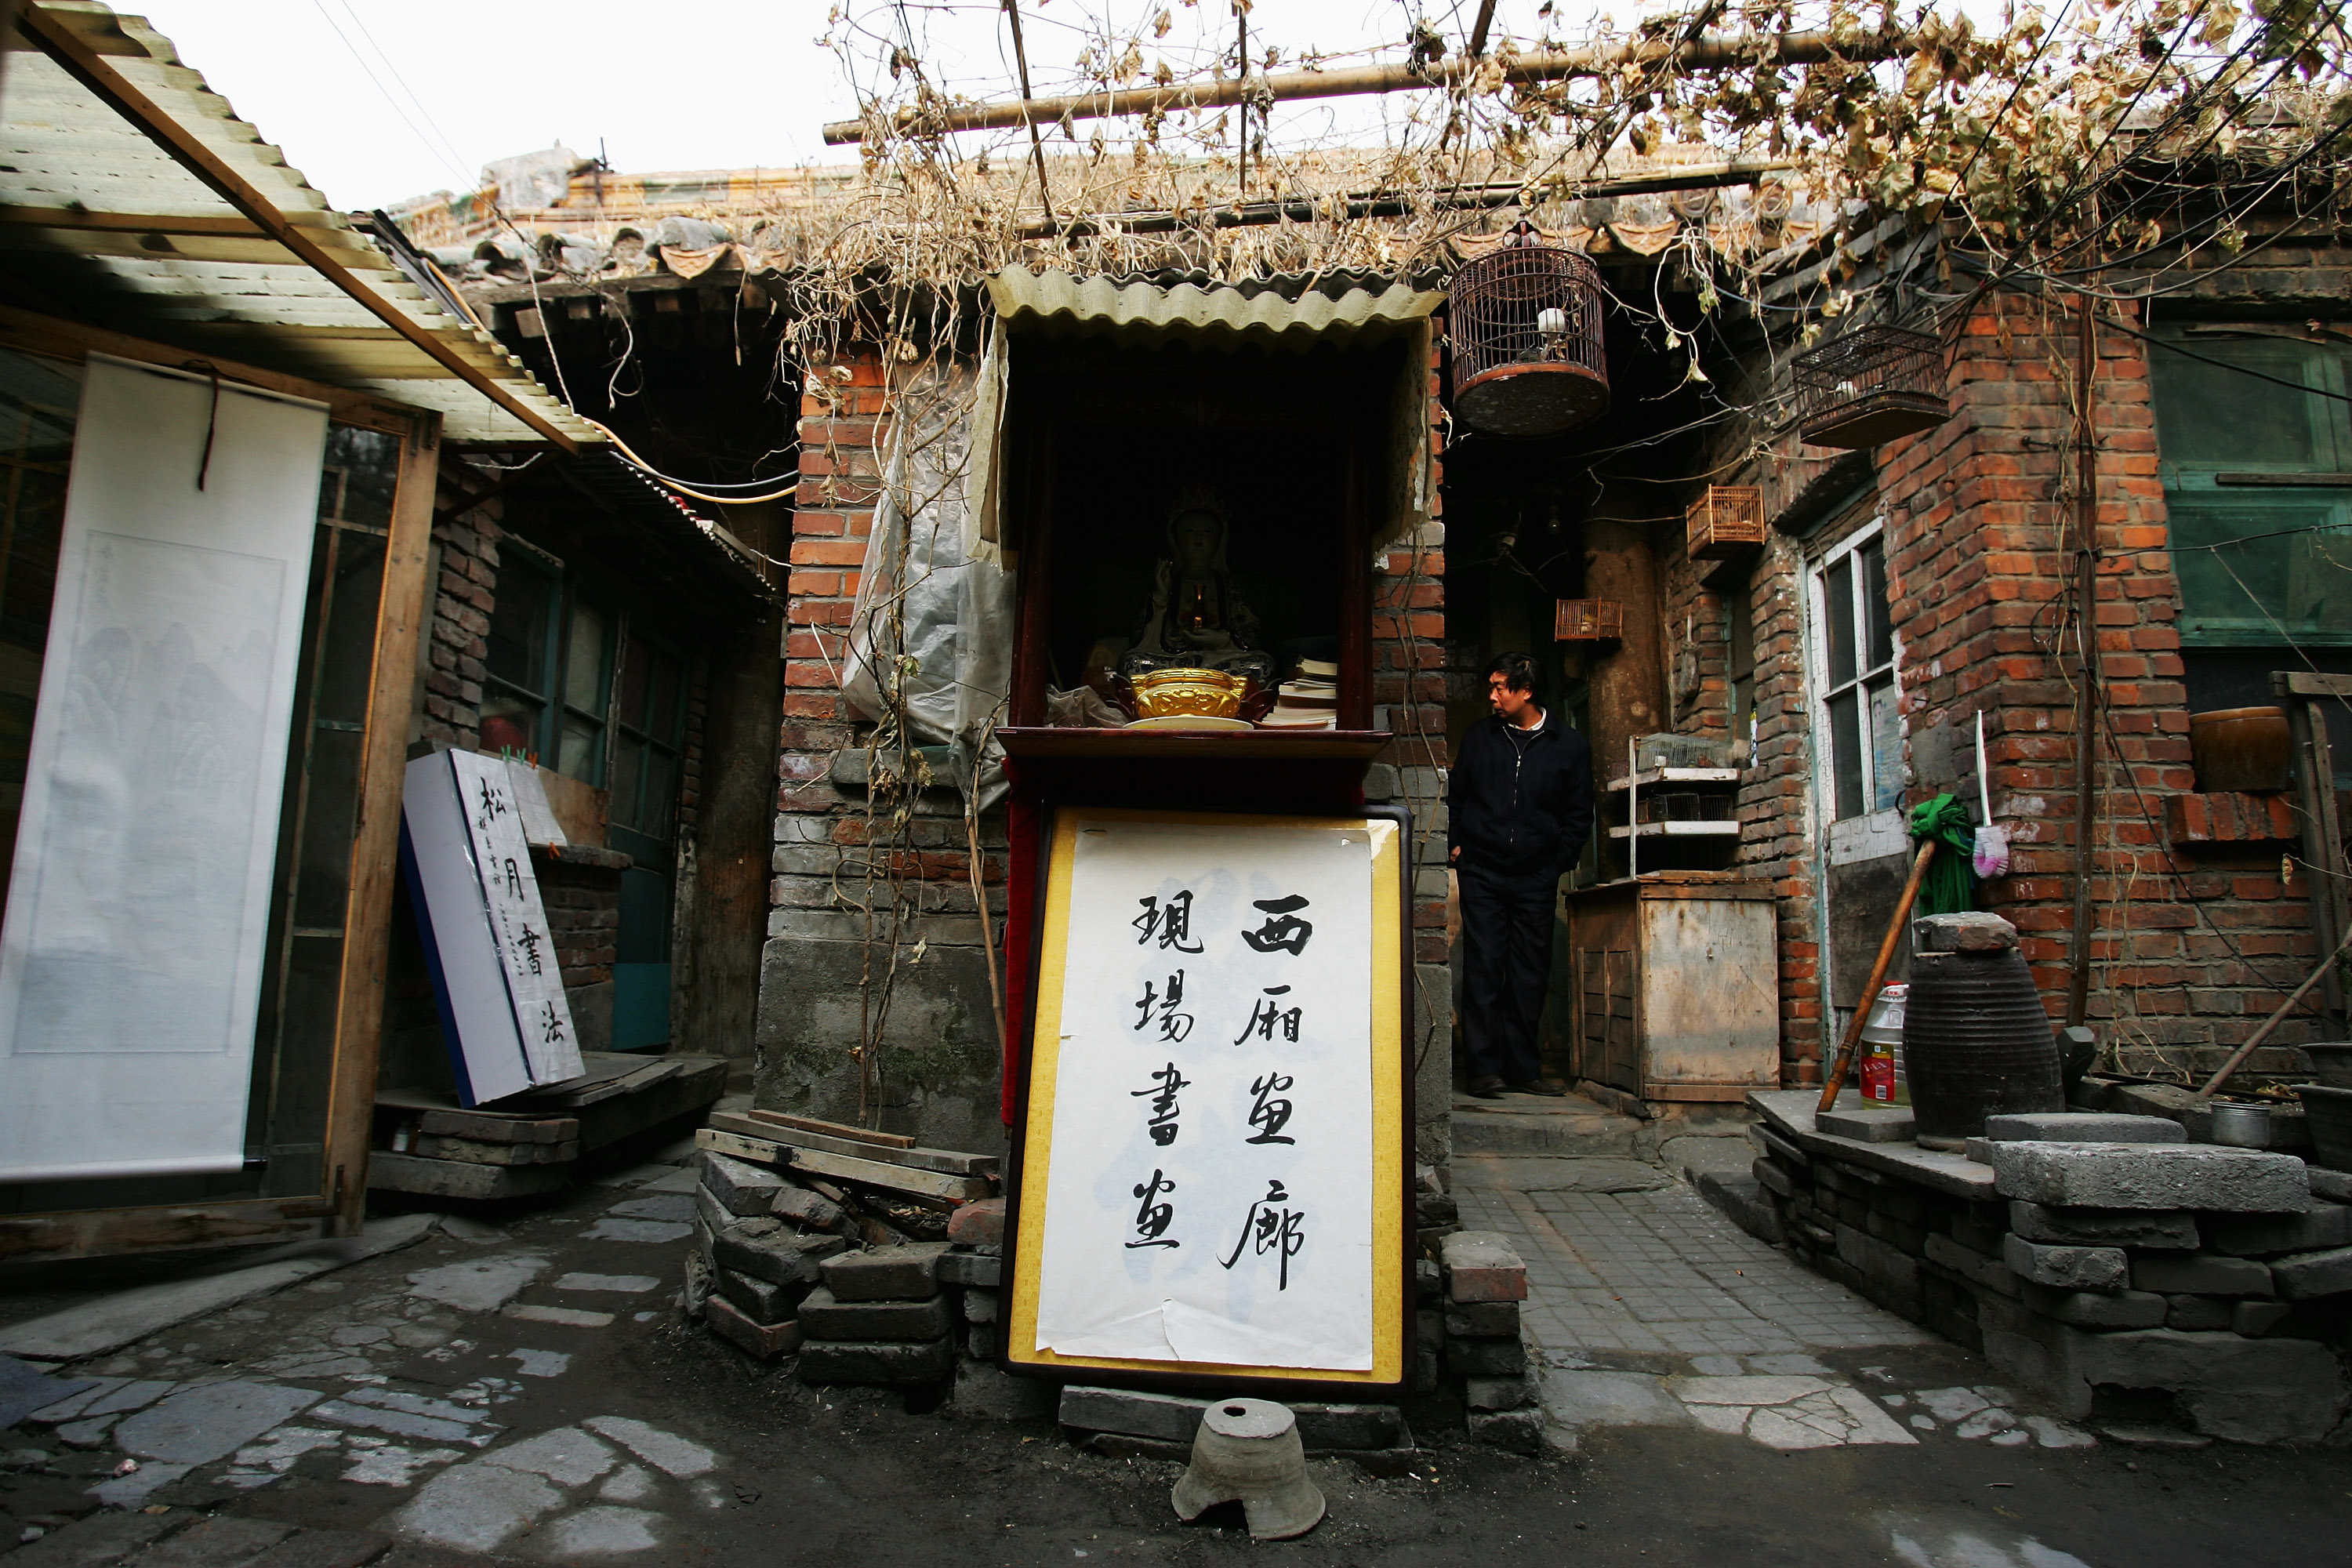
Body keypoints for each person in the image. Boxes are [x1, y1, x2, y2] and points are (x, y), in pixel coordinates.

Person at [1447, 651, 1595, 1099]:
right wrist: (1458, 845)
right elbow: (1457, 797)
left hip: (1536, 876)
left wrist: (1559, 860)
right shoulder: (1480, 738)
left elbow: (1578, 812)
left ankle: (1523, 1069)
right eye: (1491, 687)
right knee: (1484, 968)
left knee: (1530, 972)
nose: (1491, 696)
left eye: (1499, 687)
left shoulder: (1568, 745)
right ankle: (1483, 1071)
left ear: (1526, 690)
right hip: (1484, 872)